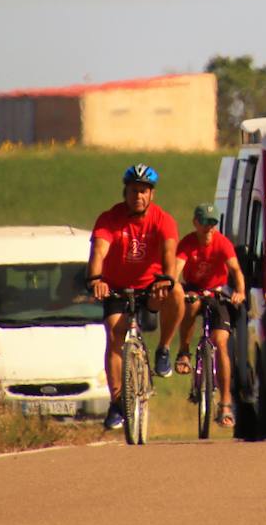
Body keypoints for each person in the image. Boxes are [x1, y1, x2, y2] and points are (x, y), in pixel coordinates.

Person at [87, 163, 185, 431]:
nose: (138, 196)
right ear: (125, 192)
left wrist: (166, 278)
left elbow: (169, 253)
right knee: (113, 333)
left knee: (177, 291)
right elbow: (98, 252)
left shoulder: (163, 220)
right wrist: (96, 280)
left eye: (143, 191)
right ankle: (117, 401)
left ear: (151, 194)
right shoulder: (109, 218)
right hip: (116, 286)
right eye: (133, 191)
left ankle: (164, 348)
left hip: (151, 288)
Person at [173, 202, 246, 428]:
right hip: (193, 288)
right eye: (204, 223)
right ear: (196, 223)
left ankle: (225, 402)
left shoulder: (222, 243)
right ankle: (184, 352)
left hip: (217, 292)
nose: (209, 228)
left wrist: (240, 291)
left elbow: (235, 269)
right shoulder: (187, 243)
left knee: (222, 343)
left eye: (213, 223)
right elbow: (176, 270)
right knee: (192, 306)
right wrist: (174, 288)